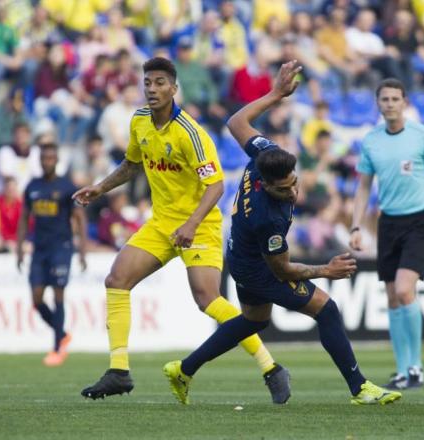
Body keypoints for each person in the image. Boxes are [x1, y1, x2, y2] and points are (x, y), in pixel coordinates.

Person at [162, 61, 401, 406]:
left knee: (254, 320)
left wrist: (275, 94)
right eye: (283, 189)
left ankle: (183, 370)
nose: (292, 192)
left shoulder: (265, 154)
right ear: (266, 185)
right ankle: (360, 388)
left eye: (294, 182)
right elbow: (283, 270)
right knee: (326, 309)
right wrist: (325, 271)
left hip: (240, 255)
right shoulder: (268, 218)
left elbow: (236, 122)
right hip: (258, 266)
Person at [73, 57, 288, 403]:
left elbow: (216, 186)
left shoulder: (191, 133)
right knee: (116, 280)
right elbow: (131, 164)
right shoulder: (140, 121)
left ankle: (271, 367)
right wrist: (99, 188)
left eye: (159, 83)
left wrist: (191, 224)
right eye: (147, 82)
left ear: (174, 88)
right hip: (161, 223)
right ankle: (118, 371)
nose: (152, 89)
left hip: (199, 224)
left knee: (208, 299)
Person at [349, 78, 424, 390]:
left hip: (419, 221)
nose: (390, 104)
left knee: (406, 289)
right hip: (389, 223)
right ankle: (401, 370)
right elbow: (364, 187)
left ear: (404, 102)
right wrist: (356, 226)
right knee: (393, 297)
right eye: (385, 99)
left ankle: (416, 366)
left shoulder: (423, 138)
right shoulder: (371, 141)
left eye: (396, 99)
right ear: (378, 103)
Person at [17, 142, 88, 367]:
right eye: (44, 158)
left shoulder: (67, 187)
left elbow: (79, 218)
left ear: (56, 161)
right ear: (40, 161)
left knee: (58, 296)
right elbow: (23, 218)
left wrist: (82, 251)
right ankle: (62, 334)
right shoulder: (32, 187)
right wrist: (19, 249)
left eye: (51, 158)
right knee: (37, 299)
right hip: (39, 249)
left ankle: (57, 347)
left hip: (61, 248)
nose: (47, 162)